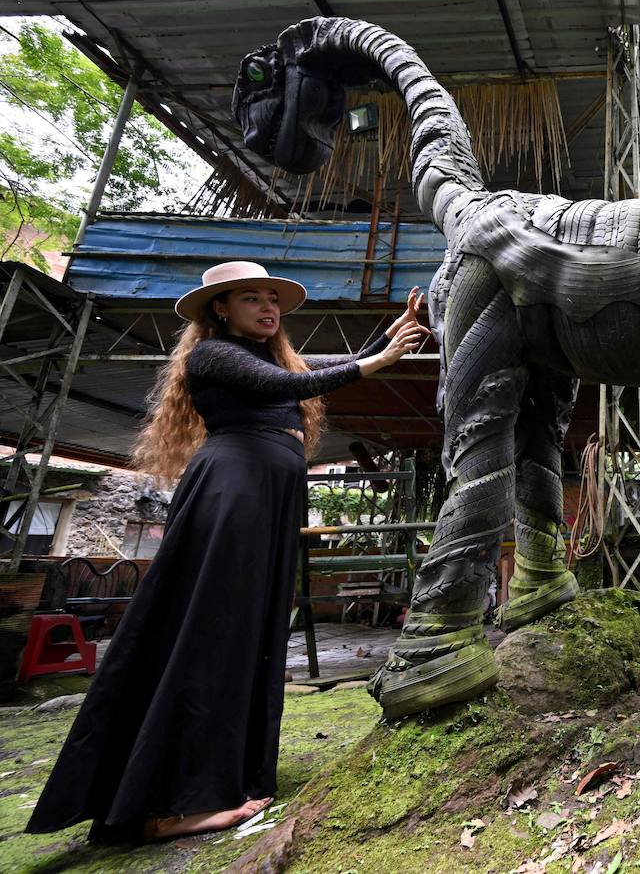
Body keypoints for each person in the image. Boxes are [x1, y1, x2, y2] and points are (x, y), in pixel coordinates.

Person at [25, 260, 428, 842]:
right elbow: (295, 386)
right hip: (236, 489)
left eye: (273, 300)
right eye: (251, 299)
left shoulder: (266, 359)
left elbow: (316, 371)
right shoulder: (212, 354)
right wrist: (379, 360)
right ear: (221, 308)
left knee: (249, 630)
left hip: (266, 493)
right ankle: (165, 803)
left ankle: (217, 778)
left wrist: (385, 338)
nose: (268, 308)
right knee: (214, 626)